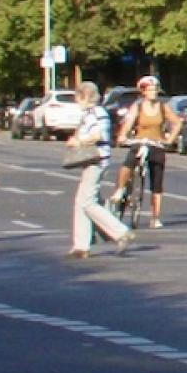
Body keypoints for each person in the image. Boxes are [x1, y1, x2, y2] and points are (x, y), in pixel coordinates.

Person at [63, 81, 132, 259]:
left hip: (96, 159)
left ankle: (120, 232)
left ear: (85, 96)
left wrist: (78, 141)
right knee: (81, 201)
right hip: (95, 159)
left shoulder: (95, 113)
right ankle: (81, 245)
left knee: (87, 202)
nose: (77, 101)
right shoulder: (94, 112)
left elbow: (97, 135)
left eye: (78, 97)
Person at [114, 75, 174, 228]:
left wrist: (169, 139)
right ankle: (120, 190)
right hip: (140, 142)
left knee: (157, 182)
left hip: (156, 144)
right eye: (150, 90)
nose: (153, 92)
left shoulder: (162, 107)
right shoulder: (138, 107)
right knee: (128, 163)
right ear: (144, 92)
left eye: (155, 89)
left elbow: (177, 122)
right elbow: (128, 124)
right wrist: (122, 136)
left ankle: (155, 217)